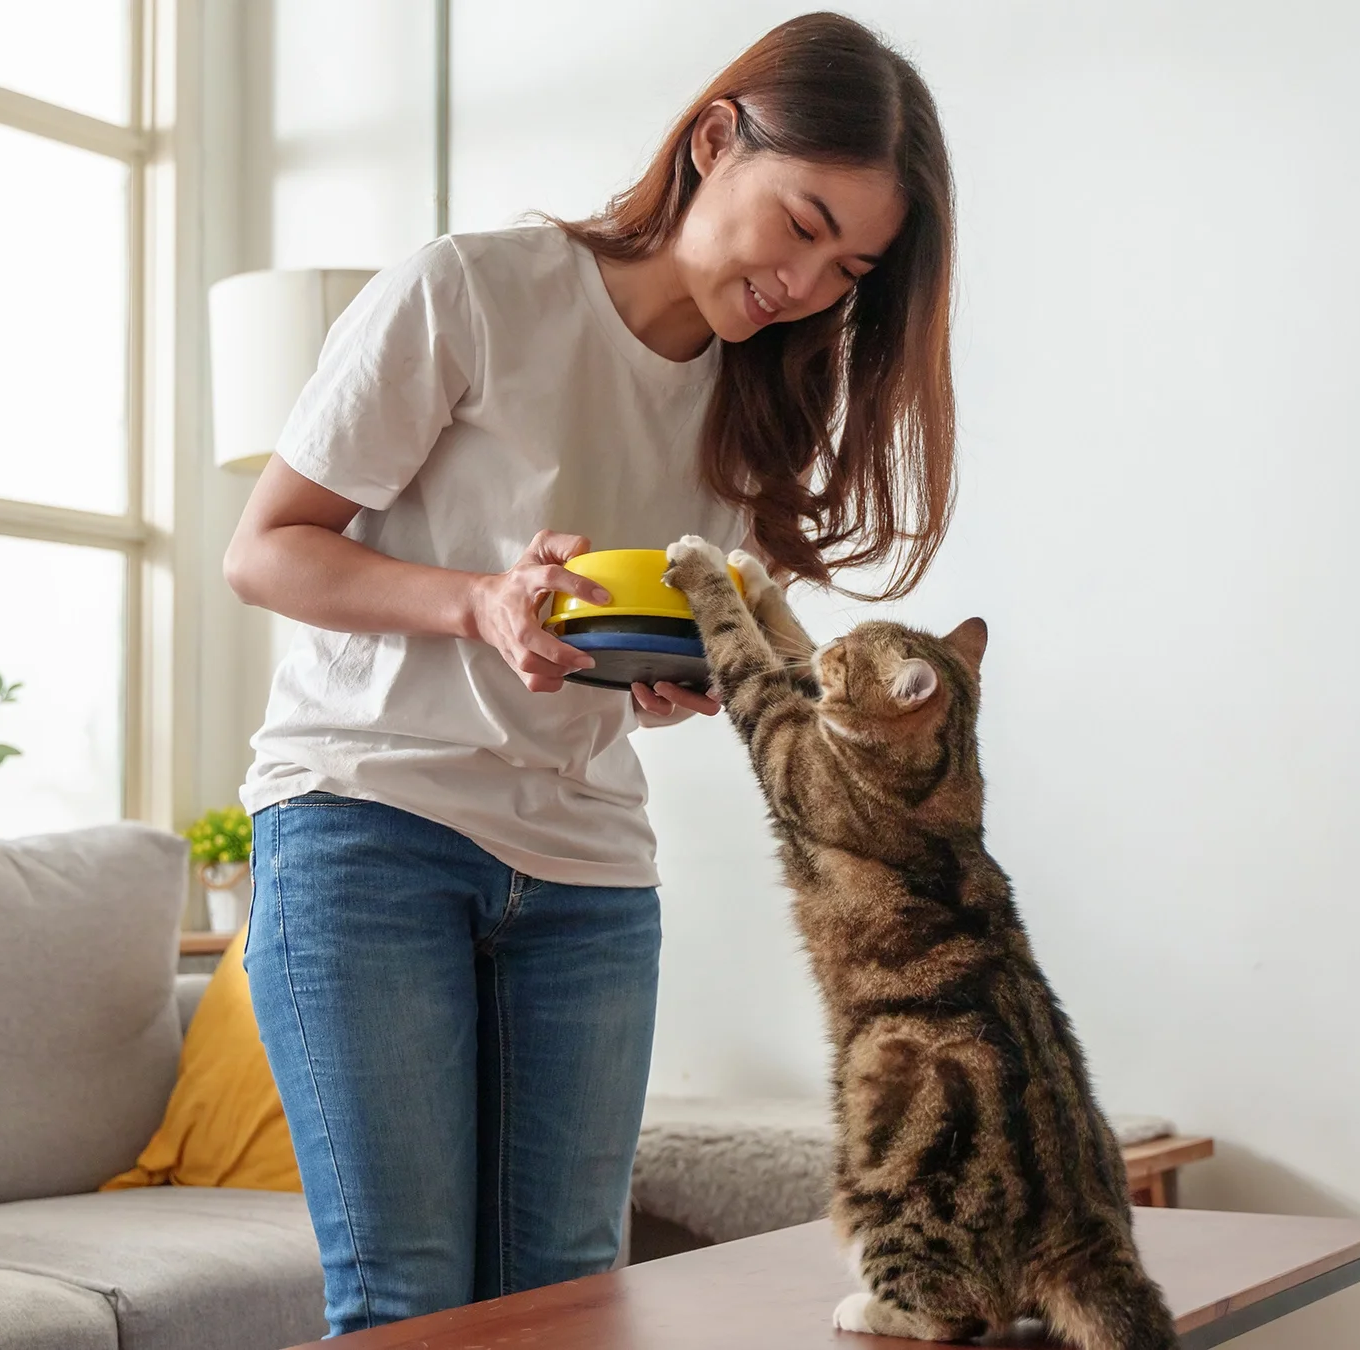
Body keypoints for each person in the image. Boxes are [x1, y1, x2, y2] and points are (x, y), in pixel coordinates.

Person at [220, 11, 958, 1335]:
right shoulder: (472, 290)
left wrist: (670, 684)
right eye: (802, 224)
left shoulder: (756, 406)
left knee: (566, 1303)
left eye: (850, 266)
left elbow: (638, 648)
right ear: (715, 139)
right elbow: (266, 550)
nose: (814, 283)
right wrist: (478, 601)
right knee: (406, 1302)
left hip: (586, 871)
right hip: (368, 826)